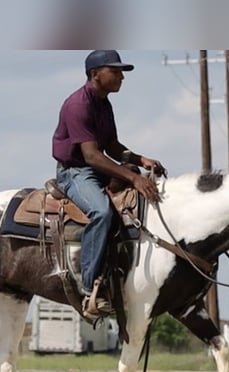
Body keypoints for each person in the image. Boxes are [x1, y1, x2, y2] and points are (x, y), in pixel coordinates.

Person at [52, 50, 165, 318]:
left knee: (135, 191)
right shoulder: (78, 105)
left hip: (95, 167)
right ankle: (89, 287)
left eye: (121, 72)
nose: (121, 77)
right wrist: (134, 177)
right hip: (75, 172)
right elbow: (91, 155)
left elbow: (111, 146)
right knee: (101, 212)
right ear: (95, 74)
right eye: (115, 71)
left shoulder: (104, 103)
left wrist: (139, 159)